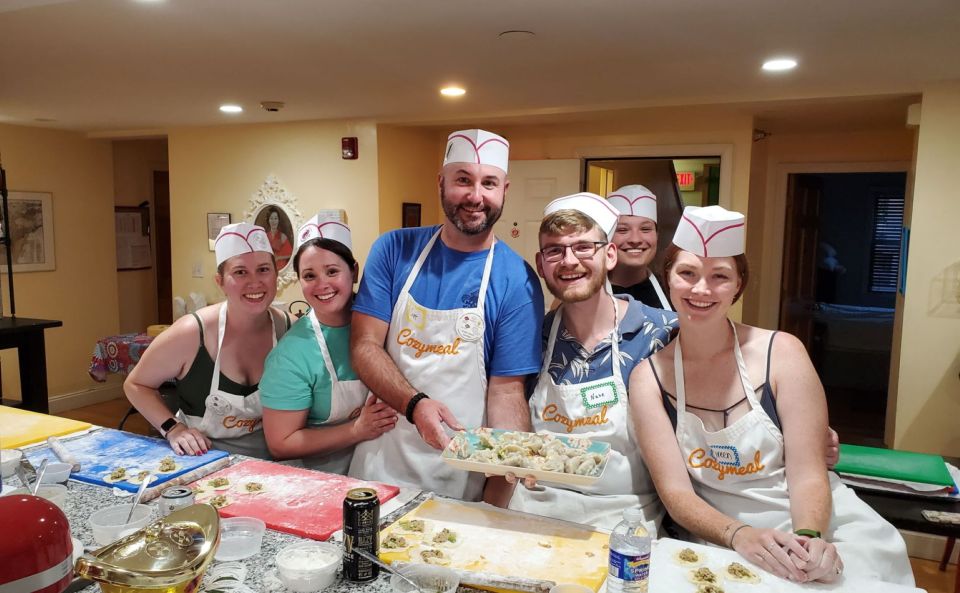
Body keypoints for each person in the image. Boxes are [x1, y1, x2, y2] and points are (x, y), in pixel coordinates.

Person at [629, 205, 913, 585]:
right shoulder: (648, 379)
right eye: (687, 273)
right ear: (668, 278)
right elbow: (677, 494)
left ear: (739, 285)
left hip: (817, 520)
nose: (701, 289)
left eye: (719, 276)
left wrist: (809, 538)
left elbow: (807, 472)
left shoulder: (782, 353)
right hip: (724, 535)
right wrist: (739, 535)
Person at [349, 129, 545, 502]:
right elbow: (364, 346)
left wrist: (505, 481)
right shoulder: (395, 249)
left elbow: (506, 391)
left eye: (489, 183)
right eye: (463, 180)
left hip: (459, 473)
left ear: (504, 190)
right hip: (380, 465)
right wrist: (415, 405)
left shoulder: (516, 279)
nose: (475, 196)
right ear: (440, 182)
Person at [507, 193, 677, 530]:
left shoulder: (661, 334)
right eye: (555, 250)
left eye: (584, 247)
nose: (569, 261)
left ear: (610, 254)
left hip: (625, 522)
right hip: (533, 513)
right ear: (541, 264)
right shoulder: (532, 339)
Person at [125, 222, 291, 458]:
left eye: (263, 269)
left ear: (276, 275)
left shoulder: (290, 330)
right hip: (203, 460)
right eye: (240, 272)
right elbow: (136, 385)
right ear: (220, 281)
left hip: (274, 463)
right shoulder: (191, 333)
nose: (254, 282)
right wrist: (173, 428)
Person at [259, 215, 398, 473]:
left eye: (332, 271)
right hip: (321, 476)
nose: (322, 284)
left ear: (354, 271)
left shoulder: (388, 323)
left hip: (383, 466)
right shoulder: (292, 354)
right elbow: (281, 443)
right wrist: (357, 429)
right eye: (309, 276)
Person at [606, 184, 672, 310]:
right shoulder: (586, 292)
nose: (635, 240)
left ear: (657, 235)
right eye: (622, 230)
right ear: (607, 237)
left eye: (645, 229)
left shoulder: (674, 291)